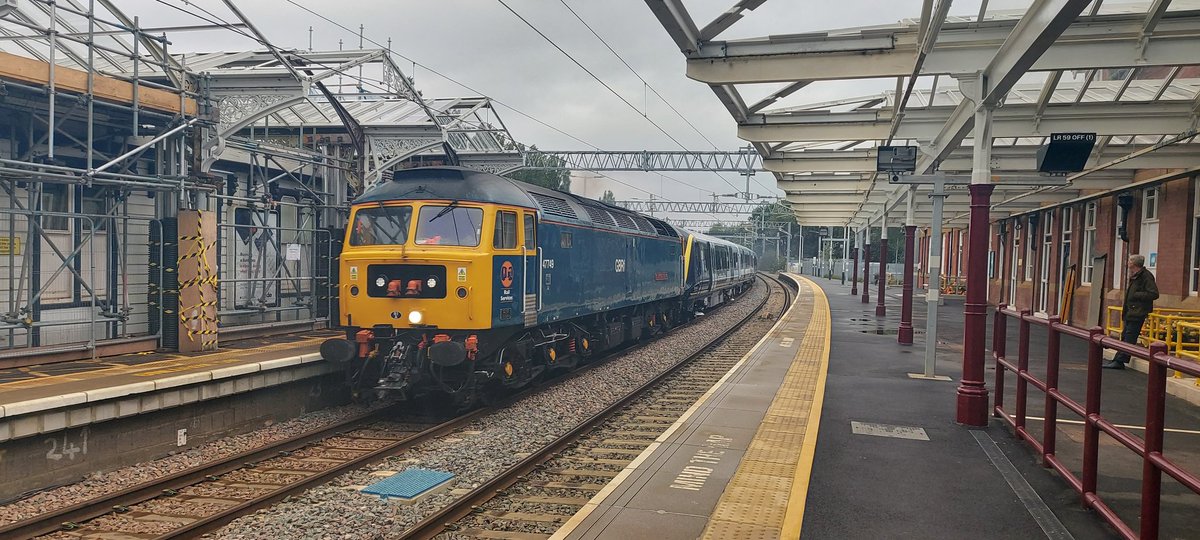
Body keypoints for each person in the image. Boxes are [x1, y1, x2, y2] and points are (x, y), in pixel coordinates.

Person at [1104, 254, 1159, 369]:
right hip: (1130, 311)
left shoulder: (1146, 276)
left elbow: (1154, 294)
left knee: (1130, 337)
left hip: (1138, 312)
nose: (1127, 263)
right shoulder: (1135, 276)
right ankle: (1118, 359)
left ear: (1134, 263)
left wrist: (1136, 295)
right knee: (1125, 336)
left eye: (1129, 261)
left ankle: (1120, 361)